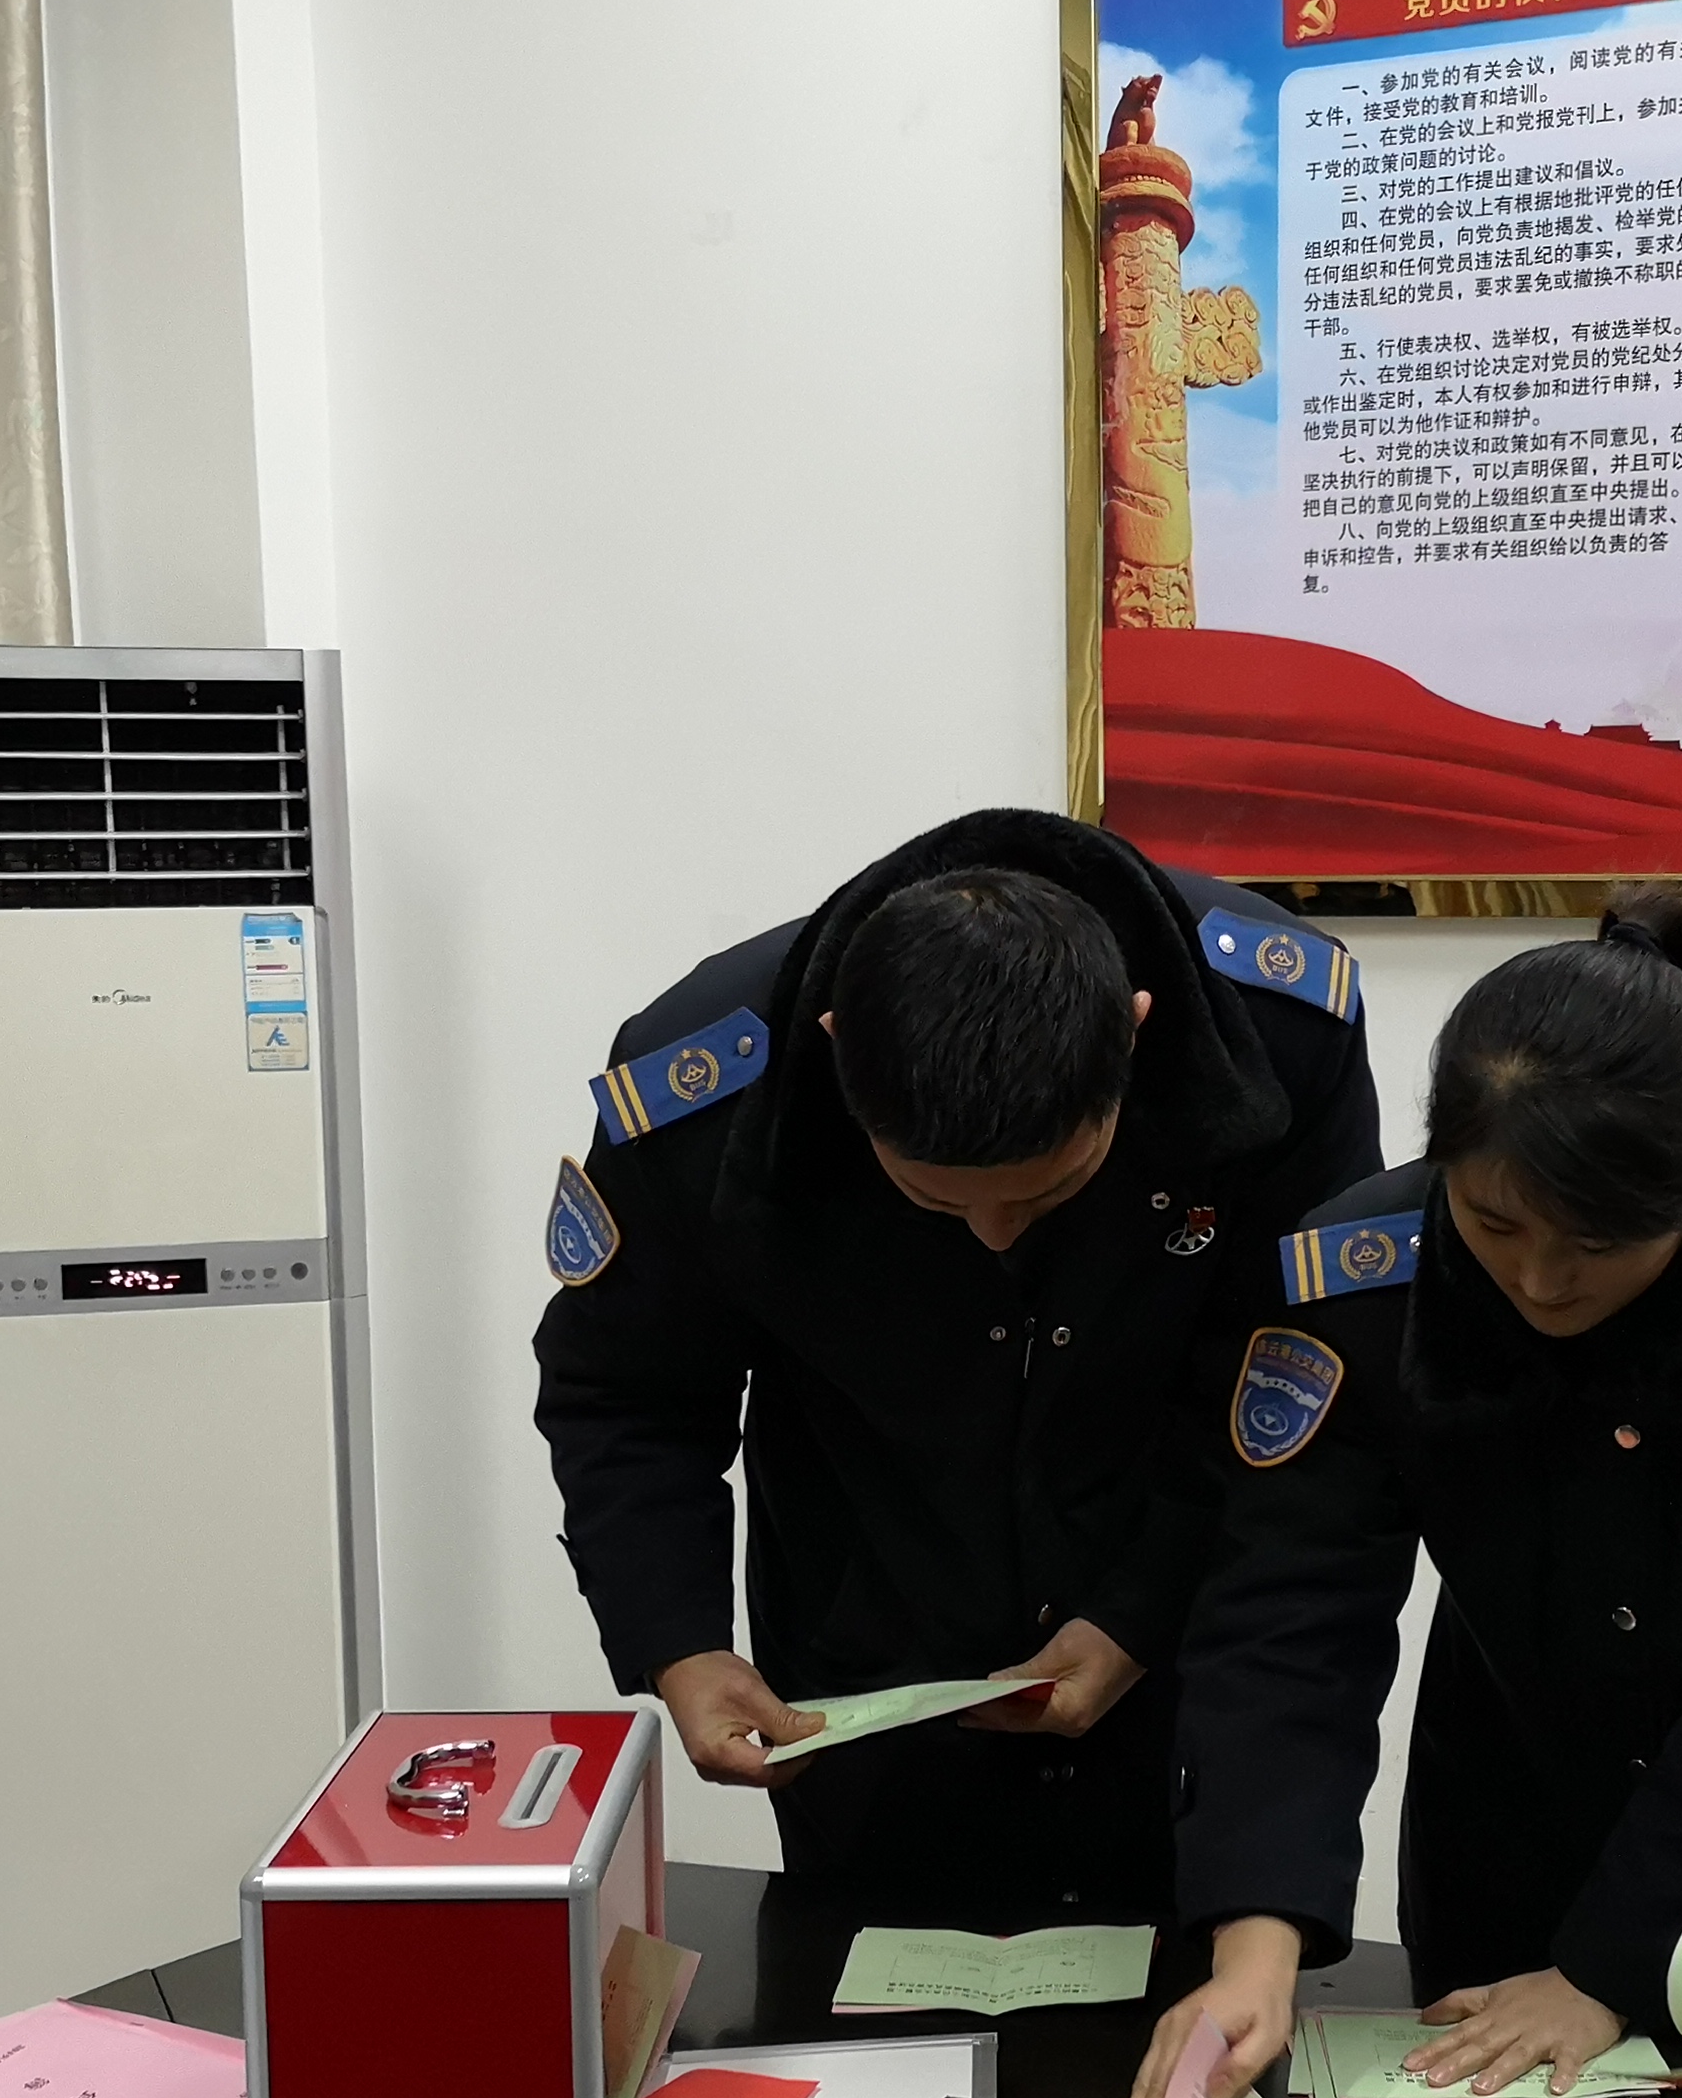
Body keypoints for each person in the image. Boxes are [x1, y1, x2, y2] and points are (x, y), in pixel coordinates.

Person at [1116, 895, 1682, 2098]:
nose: (1539, 1279)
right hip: (1517, 1807)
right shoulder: (1356, 1286)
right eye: (1494, 1222)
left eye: (1598, 1242)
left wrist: (1608, 1967)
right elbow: (1289, 1620)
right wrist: (1251, 1948)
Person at [533, 809, 1378, 1929]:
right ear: (837, 1047)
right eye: (935, 1200)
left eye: (1047, 1191)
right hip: (866, 1634)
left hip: (1182, 1608)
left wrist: (1137, 1616)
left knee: (1188, 1988)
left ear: (1133, 1036)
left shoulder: (1275, 1030)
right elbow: (628, 1391)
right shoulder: (706, 1088)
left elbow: (1290, 1373)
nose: (994, 1234)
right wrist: (678, 1647)